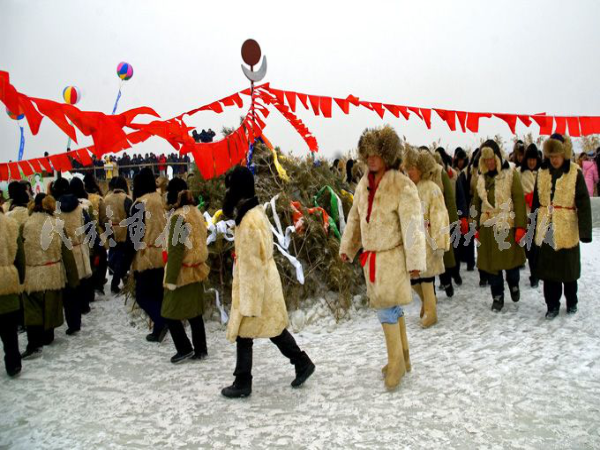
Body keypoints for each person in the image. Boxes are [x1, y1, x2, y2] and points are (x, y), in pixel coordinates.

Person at [340, 126, 426, 390]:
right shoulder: (363, 184)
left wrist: (415, 262)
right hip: (372, 259)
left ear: (387, 154)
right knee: (392, 308)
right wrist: (348, 247)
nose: (372, 159)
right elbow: (355, 218)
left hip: (392, 257)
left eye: (377, 154)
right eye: (368, 154)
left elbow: (413, 225)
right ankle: (404, 357)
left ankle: (396, 362)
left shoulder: (402, 184)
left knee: (386, 308)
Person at [221, 166, 315, 398]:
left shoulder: (249, 220)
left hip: (256, 286)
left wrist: (249, 301)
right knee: (273, 329)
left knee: (247, 332)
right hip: (265, 283)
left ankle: (243, 382)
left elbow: (252, 264)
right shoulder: (254, 212)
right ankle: (301, 362)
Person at [531, 134, 592, 319]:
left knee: (569, 271)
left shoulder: (574, 172)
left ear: (564, 153)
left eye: (557, 155)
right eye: (551, 156)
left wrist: (585, 231)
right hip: (546, 227)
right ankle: (552, 305)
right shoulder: (542, 172)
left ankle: (572, 301)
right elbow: (536, 203)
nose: (554, 160)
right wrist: (532, 229)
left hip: (567, 227)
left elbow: (583, 202)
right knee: (549, 273)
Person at [21, 194, 79, 358]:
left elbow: (20, 251)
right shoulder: (57, 224)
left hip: (31, 273)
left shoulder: (25, 224)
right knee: (51, 304)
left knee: (32, 307)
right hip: (52, 272)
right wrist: (73, 277)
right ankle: (48, 335)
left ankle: (33, 342)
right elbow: (67, 253)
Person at [472, 140, 527, 312]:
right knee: (491, 267)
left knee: (511, 264)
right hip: (487, 227)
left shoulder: (510, 173)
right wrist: (474, 225)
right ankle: (497, 296)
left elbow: (519, 199)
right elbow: (475, 203)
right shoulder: (481, 178)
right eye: (485, 160)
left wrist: (521, 226)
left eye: (491, 159)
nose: (489, 162)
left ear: (497, 157)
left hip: (506, 225)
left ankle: (514, 284)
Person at [162, 179, 209, 363]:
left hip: (182, 272)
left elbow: (175, 251)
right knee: (195, 313)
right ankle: (201, 349)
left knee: (168, 312)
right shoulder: (195, 211)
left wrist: (170, 279)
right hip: (197, 270)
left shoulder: (178, 218)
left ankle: (184, 348)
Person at [402, 147, 450, 328]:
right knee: (413, 278)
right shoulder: (408, 189)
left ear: (421, 168)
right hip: (411, 241)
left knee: (427, 277)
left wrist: (439, 241)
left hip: (427, 241)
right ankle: (428, 303)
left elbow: (439, 215)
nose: (410, 172)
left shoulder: (432, 189)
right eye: (408, 168)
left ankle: (431, 312)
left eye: (413, 168)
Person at [124, 168, 168, 342]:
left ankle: (161, 322)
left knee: (142, 296)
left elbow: (134, 237)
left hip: (146, 256)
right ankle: (158, 329)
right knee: (157, 294)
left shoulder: (139, 204)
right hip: (162, 253)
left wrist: (126, 261)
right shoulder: (161, 199)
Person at [51, 178, 93, 334]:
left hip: (64, 251)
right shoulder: (80, 208)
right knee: (81, 282)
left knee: (69, 290)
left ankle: (73, 323)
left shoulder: (55, 210)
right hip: (79, 249)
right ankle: (84, 306)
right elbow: (89, 228)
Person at [0, 207, 25, 377]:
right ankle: (13, 363)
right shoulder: (11, 224)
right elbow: (20, 256)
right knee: (9, 329)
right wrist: (21, 277)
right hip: (8, 280)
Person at [105, 176, 133, 294]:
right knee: (122, 257)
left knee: (114, 255)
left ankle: (117, 277)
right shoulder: (127, 199)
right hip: (124, 231)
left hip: (110, 230)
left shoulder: (106, 199)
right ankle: (116, 281)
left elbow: (104, 217)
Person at [520, 144, 542, 287]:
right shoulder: (520, 173)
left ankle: (536, 275)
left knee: (538, 248)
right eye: (529, 159)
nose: (532, 162)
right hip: (526, 215)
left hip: (541, 215)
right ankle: (534, 272)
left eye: (534, 159)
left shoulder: (543, 173)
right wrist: (525, 197)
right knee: (530, 247)